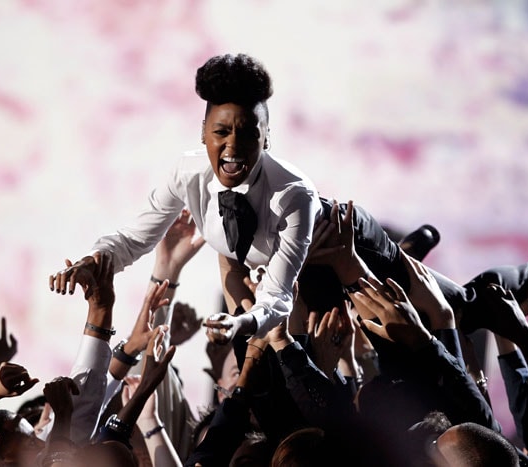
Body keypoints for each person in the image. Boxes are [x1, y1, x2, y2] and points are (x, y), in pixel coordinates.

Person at [49, 52, 323, 345]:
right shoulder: (187, 174)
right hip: (254, 280)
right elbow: (134, 239)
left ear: (266, 137)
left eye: (247, 133)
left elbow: (277, 295)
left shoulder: (294, 196)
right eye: (221, 132)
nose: (233, 145)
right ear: (204, 133)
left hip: (326, 266)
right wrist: (94, 261)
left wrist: (238, 323)